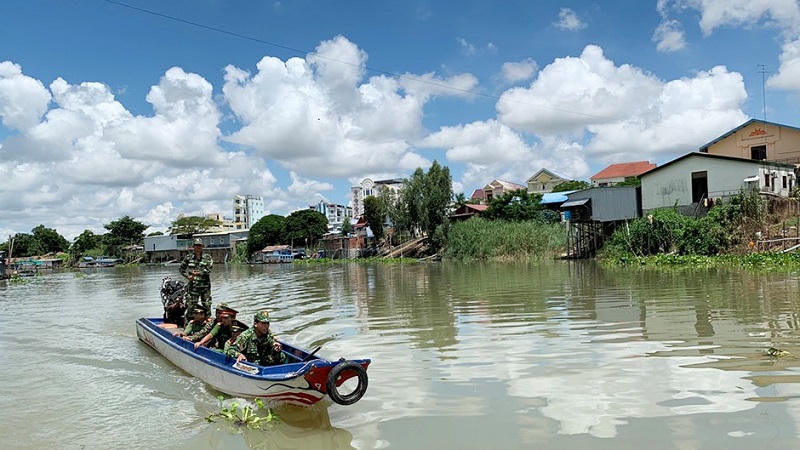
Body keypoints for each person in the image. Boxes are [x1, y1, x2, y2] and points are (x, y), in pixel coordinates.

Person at [180, 238, 213, 320]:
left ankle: (207, 324)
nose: (198, 247)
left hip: (205, 287)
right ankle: (189, 324)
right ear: (193, 247)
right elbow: (181, 269)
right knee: (191, 306)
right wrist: (188, 276)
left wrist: (198, 273)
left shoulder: (207, 258)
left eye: (200, 246)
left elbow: (209, 270)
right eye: (196, 245)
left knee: (207, 305)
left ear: (202, 247)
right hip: (193, 288)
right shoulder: (188, 257)